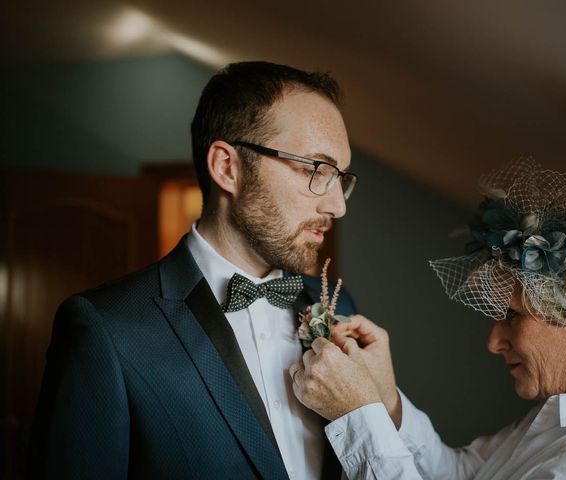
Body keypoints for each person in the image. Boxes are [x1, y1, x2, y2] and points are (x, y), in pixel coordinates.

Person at [28, 61, 358, 479]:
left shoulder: (337, 304)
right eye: (316, 170)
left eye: (340, 177)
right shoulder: (107, 330)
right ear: (227, 167)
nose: (338, 206)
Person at [290, 161, 566, 479]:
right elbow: (457, 474)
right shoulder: (554, 419)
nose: (493, 342)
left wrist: (359, 417)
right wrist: (385, 399)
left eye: (512, 315)